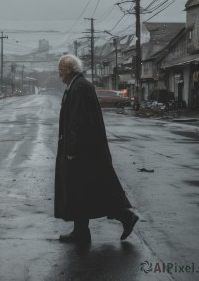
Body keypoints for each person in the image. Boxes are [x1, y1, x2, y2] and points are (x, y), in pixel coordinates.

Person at [55, 54, 139, 245]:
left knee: (90, 190)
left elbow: (78, 122)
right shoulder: (78, 85)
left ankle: (123, 218)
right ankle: (82, 231)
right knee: (86, 191)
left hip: (83, 152)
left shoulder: (79, 87)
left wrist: (72, 149)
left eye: (61, 68)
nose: (58, 72)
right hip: (87, 151)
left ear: (69, 69)